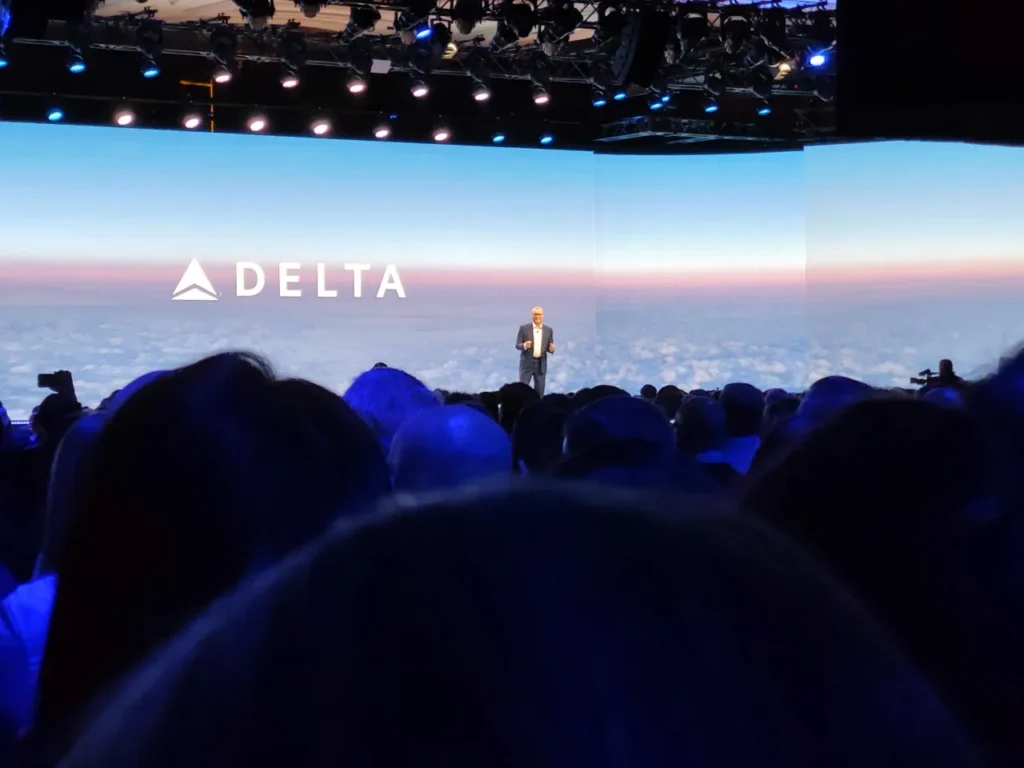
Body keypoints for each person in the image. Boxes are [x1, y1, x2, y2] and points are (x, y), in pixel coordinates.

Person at [514, 306, 555, 396]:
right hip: (526, 363)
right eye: (535, 314)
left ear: (542, 316)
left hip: (541, 364)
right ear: (532, 316)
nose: (537, 316)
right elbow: (517, 345)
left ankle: (538, 409)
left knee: (540, 391)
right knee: (522, 390)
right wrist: (524, 345)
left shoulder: (548, 330)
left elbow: (550, 346)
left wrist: (551, 349)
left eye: (539, 314)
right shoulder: (524, 328)